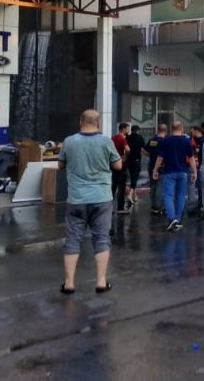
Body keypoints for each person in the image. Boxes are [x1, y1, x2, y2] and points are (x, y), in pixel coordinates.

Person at [57, 109, 122, 295]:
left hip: (76, 198)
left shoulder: (69, 141)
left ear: (81, 122)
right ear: (98, 123)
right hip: (101, 198)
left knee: (72, 239)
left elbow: (60, 165)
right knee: (101, 238)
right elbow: (118, 165)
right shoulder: (106, 141)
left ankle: (69, 283)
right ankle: (101, 281)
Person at [152, 122, 197, 231]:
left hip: (169, 172)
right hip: (183, 172)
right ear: (182, 128)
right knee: (181, 196)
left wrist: (155, 169)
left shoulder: (166, 141)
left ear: (171, 129)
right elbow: (191, 158)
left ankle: (172, 218)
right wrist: (194, 172)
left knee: (168, 195)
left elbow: (160, 157)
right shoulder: (186, 141)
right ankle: (178, 218)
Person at [146, 124, 167, 216]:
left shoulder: (152, 140)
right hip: (161, 166)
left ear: (158, 130)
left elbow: (144, 149)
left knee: (153, 186)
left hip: (151, 165)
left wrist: (150, 155)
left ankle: (153, 206)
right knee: (160, 187)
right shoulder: (165, 141)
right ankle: (159, 206)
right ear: (166, 131)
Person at [111, 123, 131, 214]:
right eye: (127, 128)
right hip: (121, 164)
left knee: (113, 186)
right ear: (123, 129)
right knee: (121, 186)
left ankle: (109, 207)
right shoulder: (122, 139)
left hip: (113, 164)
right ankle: (120, 208)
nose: (128, 130)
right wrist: (126, 156)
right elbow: (127, 149)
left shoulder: (113, 138)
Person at [125, 125, 145, 210]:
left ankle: (134, 195)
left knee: (133, 177)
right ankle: (130, 195)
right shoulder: (140, 137)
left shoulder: (128, 138)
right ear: (138, 130)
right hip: (136, 160)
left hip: (129, 160)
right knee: (135, 178)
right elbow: (143, 148)